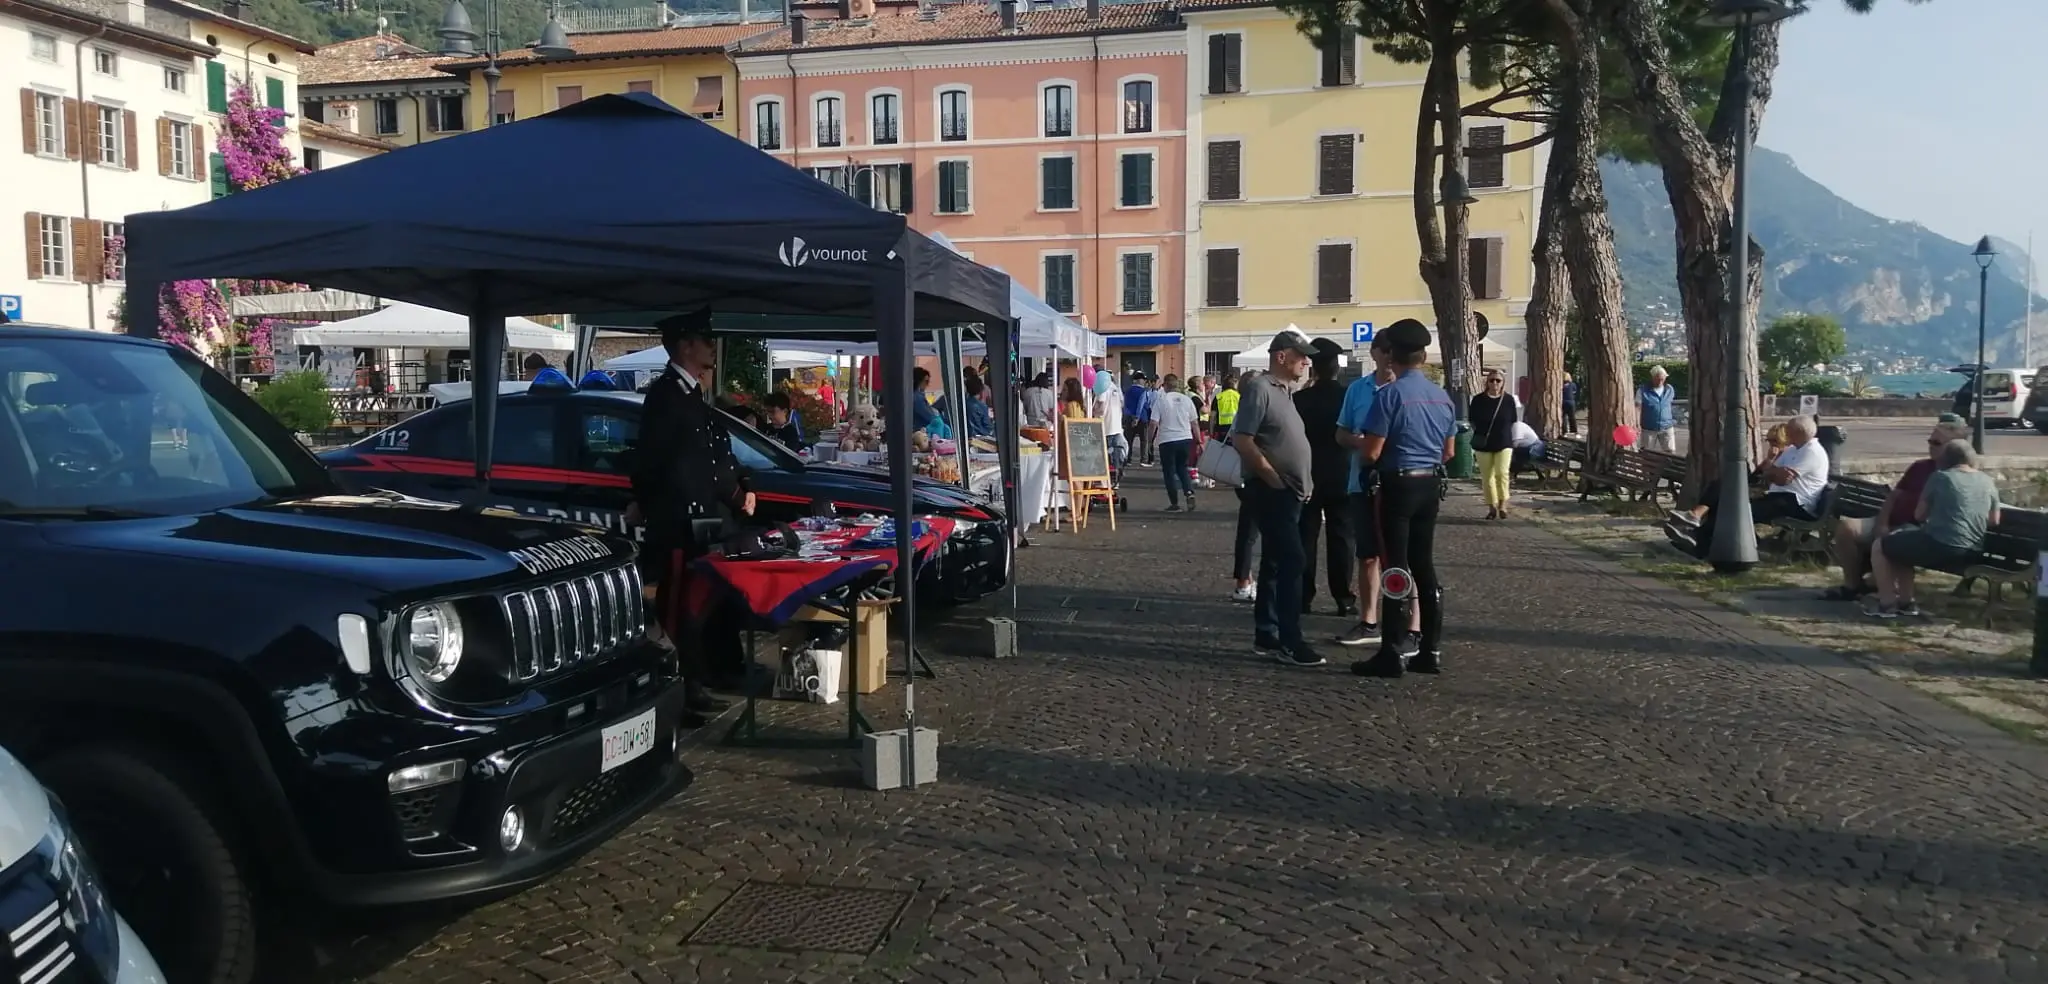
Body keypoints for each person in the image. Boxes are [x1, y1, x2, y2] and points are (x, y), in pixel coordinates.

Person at [632, 310, 756, 715]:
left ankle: (694, 682)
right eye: (705, 339)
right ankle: (679, 690)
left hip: (698, 519)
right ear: (685, 346)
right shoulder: (666, 395)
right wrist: (653, 504)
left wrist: (739, 487)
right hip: (678, 521)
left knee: (693, 607)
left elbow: (710, 457)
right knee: (677, 608)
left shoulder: (689, 394)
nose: (712, 346)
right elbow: (654, 461)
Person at [1353, 319, 1457, 678]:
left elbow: (1371, 452)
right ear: (1423, 356)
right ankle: (1430, 650)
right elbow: (1449, 451)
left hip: (1397, 484)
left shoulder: (1390, 396)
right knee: (1423, 564)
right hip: (1430, 483)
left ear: (1391, 355)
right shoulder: (1442, 397)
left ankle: (1391, 652)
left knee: (1394, 565)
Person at [1231, 329, 1323, 667]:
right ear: (1281, 357)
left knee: (1274, 561)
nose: (1306, 362)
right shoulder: (1260, 388)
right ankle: (1290, 640)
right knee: (1293, 560)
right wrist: (1271, 477)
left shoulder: (1285, 392)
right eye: (1301, 356)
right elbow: (1243, 438)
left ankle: (1266, 632)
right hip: (1271, 491)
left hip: (1289, 492)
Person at [1822, 416, 1969, 601]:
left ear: (1953, 447)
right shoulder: (1920, 467)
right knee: (1846, 528)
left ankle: (1886, 594)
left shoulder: (1954, 477)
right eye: (1930, 441)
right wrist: (1882, 523)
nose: (1931, 445)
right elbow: (1893, 497)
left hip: (1915, 528)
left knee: (1890, 546)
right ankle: (1853, 585)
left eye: (1936, 443)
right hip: (1891, 521)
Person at [1332, 337, 1415, 648]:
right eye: (1386, 351)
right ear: (1375, 353)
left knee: (1406, 556)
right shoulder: (1357, 389)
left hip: (1400, 483)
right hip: (1362, 482)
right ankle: (1369, 621)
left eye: (1395, 351)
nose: (1391, 357)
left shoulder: (1407, 390)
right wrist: (1359, 441)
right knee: (1367, 555)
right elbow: (1340, 432)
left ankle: (1412, 626)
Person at [1867, 439, 2001, 618]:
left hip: (1941, 547)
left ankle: (1887, 604)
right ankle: (1906, 603)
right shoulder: (1987, 480)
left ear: (1946, 458)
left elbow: (1919, 515)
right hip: (1972, 553)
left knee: (1880, 545)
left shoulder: (1940, 477)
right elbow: (1994, 520)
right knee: (1903, 542)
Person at [1676, 414, 1829, 560]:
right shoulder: (1795, 449)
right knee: (1727, 503)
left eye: (1789, 430)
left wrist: (1774, 473)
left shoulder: (1812, 452)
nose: (1786, 432)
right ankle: (1700, 543)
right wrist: (1774, 472)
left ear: (1798, 433)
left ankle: (1697, 540)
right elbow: (1768, 472)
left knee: (1737, 512)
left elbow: (1782, 479)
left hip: (1796, 503)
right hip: (1778, 497)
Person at [1294, 338, 1356, 615]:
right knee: (1342, 537)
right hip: (1342, 472)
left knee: (1305, 537)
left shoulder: (1300, 399)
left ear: (1314, 367)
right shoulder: (1347, 397)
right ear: (1336, 367)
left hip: (1308, 473)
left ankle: (1303, 595)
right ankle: (1343, 596)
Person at [1229, 369, 1261, 603]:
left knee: (1248, 532)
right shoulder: (1251, 412)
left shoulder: (1243, 410)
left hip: (1245, 476)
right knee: (1250, 532)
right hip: (1253, 476)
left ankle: (1245, 579)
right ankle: (1244, 581)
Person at [1469, 369, 1519, 519]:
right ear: (1487, 382)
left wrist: (1513, 439)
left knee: (1502, 473)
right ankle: (1492, 506)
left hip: (1503, 442)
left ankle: (1503, 504)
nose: (1495, 383)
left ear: (1503, 383)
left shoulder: (1508, 400)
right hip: (1484, 443)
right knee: (1487, 477)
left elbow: (1513, 420)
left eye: (1498, 380)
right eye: (1492, 380)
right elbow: (1472, 420)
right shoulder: (1478, 400)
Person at [1152, 374, 1200, 511]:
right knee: (1182, 468)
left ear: (1165, 385)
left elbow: (1153, 423)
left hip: (1167, 440)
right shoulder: (1187, 400)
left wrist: (1150, 440)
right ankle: (1189, 492)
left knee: (1169, 472)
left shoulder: (1161, 400)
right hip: (1185, 438)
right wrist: (1198, 440)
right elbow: (1194, 423)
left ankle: (1174, 503)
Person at [1637, 367, 1677, 453]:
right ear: (1652, 378)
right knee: (1647, 453)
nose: (1660, 382)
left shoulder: (1669, 389)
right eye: (1658, 379)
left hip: (1667, 427)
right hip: (1648, 428)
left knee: (1670, 453)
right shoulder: (1642, 390)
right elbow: (1638, 408)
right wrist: (1637, 423)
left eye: (1662, 379)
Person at [1122, 371, 1153, 465]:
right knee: (1143, 440)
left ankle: (1128, 459)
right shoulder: (1143, 391)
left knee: (1128, 439)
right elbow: (1140, 405)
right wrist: (1137, 417)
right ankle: (1143, 459)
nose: (1144, 382)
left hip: (1128, 416)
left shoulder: (1127, 391)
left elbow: (1124, 404)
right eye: (1144, 380)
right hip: (1142, 418)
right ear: (1140, 380)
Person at [1214, 372, 1242, 439]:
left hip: (1222, 428)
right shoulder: (1239, 396)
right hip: (1237, 426)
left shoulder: (1219, 397)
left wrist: (1211, 431)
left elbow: (1212, 416)